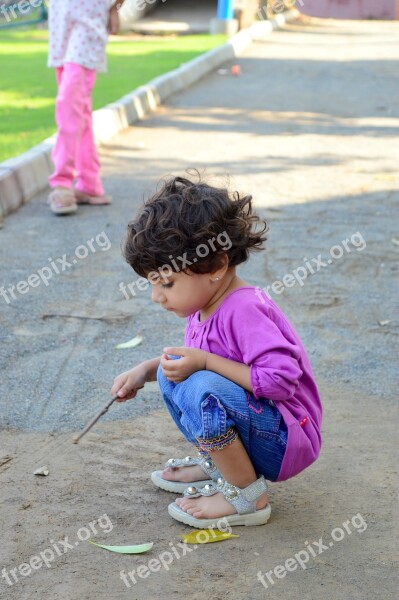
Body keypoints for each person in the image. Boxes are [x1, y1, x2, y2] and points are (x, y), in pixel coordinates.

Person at [111, 175, 323, 528]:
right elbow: (196, 363)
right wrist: (145, 372)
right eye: (152, 283)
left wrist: (206, 362)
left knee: (201, 387)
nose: (156, 297)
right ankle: (220, 463)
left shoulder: (244, 308)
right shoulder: (204, 306)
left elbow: (280, 382)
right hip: (263, 426)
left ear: (217, 266)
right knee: (172, 371)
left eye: (167, 283)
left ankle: (247, 496)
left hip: (288, 439)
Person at [47, 0, 125, 215]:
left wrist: (114, 7)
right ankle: (89, 183)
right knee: (79, 109)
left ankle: (62, 181)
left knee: (68, 103)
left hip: (88, 19)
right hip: (61, 17)